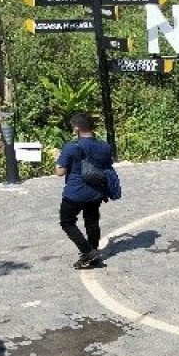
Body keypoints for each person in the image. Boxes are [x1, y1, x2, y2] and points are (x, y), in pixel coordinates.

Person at [55, 112, 114, 270]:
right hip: (96, 191)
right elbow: (107, 166)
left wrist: (57, 158)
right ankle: (94, 253)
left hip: (75, 192)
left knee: (67, 222)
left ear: (76, 128)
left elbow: (60, 171)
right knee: (92, 222)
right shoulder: (104, 146)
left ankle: (88, 252)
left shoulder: (71, 147)